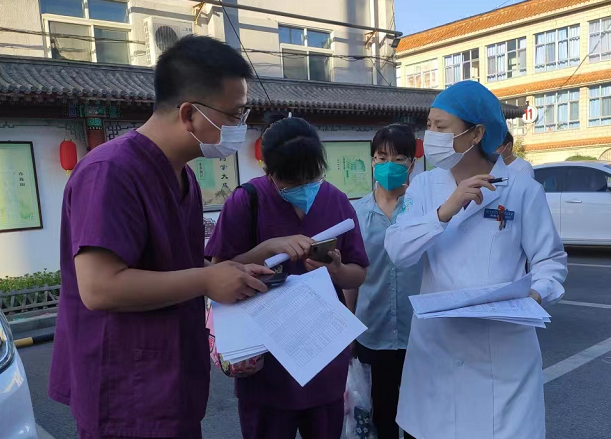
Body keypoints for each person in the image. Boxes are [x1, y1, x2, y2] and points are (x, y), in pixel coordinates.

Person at [48, 36, 273, 439]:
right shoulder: (111, 171)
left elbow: (175, 267)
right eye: (235, 114)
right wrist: (206, 280)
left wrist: (236, 269)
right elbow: (99, 288)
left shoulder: (183, 176)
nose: (241, 126)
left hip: (171, 382)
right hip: (123, 392)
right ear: (189, 114)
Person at [385, 80, 567, 439]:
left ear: (476, 133)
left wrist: (537, 294)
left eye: (441, 127)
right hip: (437, 348)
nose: (431, 135)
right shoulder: (423, 187)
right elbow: (398, 252)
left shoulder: (522, 190)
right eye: (429, 125)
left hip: (502, 349)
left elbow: (550, 260)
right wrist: (444, 212)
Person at [206, 116, 369, 439]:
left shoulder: (335, 201)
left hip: (323, 357)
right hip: (265, 363)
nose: (303, 188)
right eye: (290, 183)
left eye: (311, 177)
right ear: (268, 170)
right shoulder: (247, 201)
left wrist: (336, 271)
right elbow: (216, 270)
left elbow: (358, 273)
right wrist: (267, 248)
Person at [344, 124, 421, 439]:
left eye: (399, 158)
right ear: (372, 161)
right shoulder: (356, 213)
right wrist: (348, 327)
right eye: (382, 157)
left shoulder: (423, 210)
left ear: (412, 164)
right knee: (381, 415)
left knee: (419, 417)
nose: (390, 164)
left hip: (418, 332)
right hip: (371, 331)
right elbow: (350, 277)